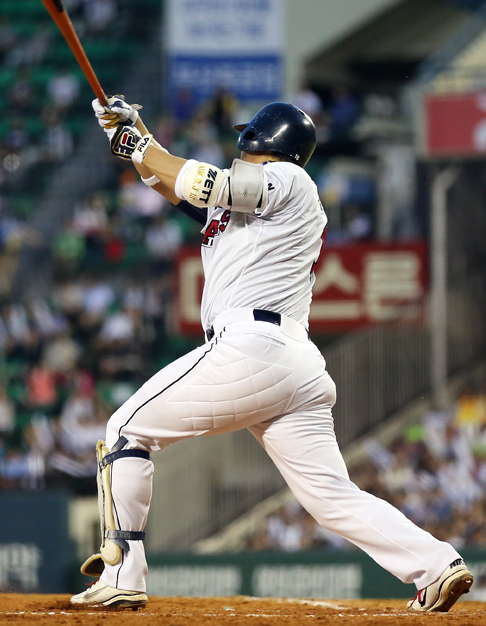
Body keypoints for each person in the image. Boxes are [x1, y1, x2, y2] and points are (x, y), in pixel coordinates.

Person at [70, 99, 473, 611]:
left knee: (126, 429)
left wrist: (143, 146)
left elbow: (210, 184)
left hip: (252, 348)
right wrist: (138, 136)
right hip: (290, 365)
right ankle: (437, 565)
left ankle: (123, 572)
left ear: (262, 140)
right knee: (331, 498)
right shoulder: (251, 208)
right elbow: (177, 185)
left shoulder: (290, 179)